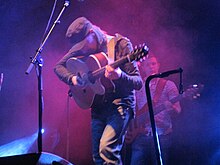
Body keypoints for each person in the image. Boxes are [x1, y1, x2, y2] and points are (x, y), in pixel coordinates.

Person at [54, 17, 143, 165]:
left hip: (120, 104)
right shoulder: (82, 47)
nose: (82, 50)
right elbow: (58, 67)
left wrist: (120, 76)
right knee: (97, 156)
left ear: (92, 33)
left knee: (107, 149)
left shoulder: (121, 44)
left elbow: (138, 82)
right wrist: (73, 79)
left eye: (83, 45)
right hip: (98, 107)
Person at [125, 54, 181, 165]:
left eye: (153, 64)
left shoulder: (168, 85)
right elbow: (130, 108)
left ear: (158, 65)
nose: (151, 67)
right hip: (140, 135)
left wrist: (171, 109)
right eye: (147, 65)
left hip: (162, 135)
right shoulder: (137, 86)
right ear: (142, 68)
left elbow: (178, 109)